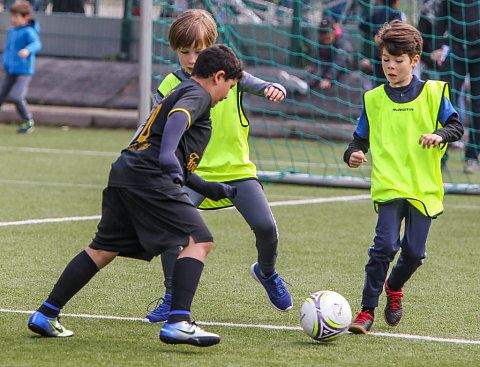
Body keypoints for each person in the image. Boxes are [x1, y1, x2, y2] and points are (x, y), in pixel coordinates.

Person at [27, 44, 244, 348]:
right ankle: (179, 322)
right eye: (230, 87)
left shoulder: (181, 91)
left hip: (126, 172)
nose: (226, 95)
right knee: (200, 240)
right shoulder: (197, 94)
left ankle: (46, 314)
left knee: (103, 249)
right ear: (219, 77)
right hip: (148, 176)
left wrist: (209, 188)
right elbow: (177, 123)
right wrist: (168, 154)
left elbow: (173, 157)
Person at [142, 9, 292, 324]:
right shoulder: (170, 83)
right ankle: (172, 296)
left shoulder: (230, 75)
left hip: (236, 170)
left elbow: (258, 84)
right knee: (172, 234)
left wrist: (271, 88)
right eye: (185, 51)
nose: (192, 58)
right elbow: (155, 125)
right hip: (191, 173)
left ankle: (266, 273)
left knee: (266, 227)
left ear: (212, 46)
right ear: (175, 50)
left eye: (199, 50)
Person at [344, 20, 463, 334]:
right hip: (388, 185)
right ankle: (366, 310)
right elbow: (358, 142)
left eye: (398, 61)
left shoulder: (434, 93)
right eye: (386, 59)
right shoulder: (373, 99)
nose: (391, 66)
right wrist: (353, 155)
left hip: (423, 188)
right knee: (383, 246)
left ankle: (394, 287)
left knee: (413, 253)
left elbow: (456, 127)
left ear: (415, 60)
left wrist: (439, 135)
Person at [433, 0, 480, 173]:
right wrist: (437, 47)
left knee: (477, 108)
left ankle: (472, 157)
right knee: (444, 102)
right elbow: (440, 19)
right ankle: (441, 155)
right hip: (456, 50)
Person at [0, 1, 41, 134]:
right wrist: (5, 62)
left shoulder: (29, 31)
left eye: (17, 17)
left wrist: (27, 50)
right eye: (12, 17)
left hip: (23, 71)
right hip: (10, 70)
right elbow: (9, 50)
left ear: (26, 17)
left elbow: (36, 44)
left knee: (17, 97)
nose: (13, 20)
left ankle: (28, 120)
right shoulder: (12, 31)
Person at [359, 0, 406, 88]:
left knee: (379, 83)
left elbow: (362, 25)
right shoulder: (396, 14)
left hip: (378, 53)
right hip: (392, 53)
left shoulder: (377, 13)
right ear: (396, 1)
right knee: (393, 82)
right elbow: (400, 30)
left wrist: (377, 34)